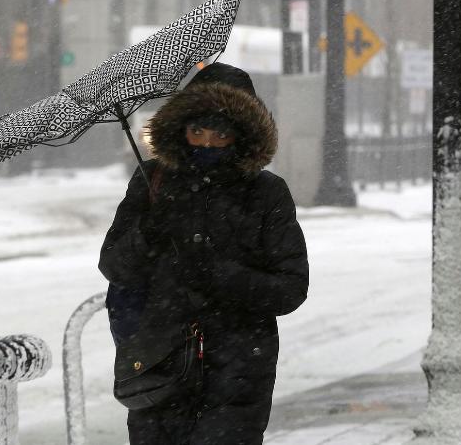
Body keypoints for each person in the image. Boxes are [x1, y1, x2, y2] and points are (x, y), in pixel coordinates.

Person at [99, 63, 309, 445]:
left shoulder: (266, 193)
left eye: (220, 133)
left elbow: (290, 288)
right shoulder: (153, 180)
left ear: (241, 136)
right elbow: (113, 265)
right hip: (158, 362)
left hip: (238, 373)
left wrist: (219, 275)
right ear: (180, 129)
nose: (207, 143)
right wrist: (149, 231)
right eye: (197, 130)